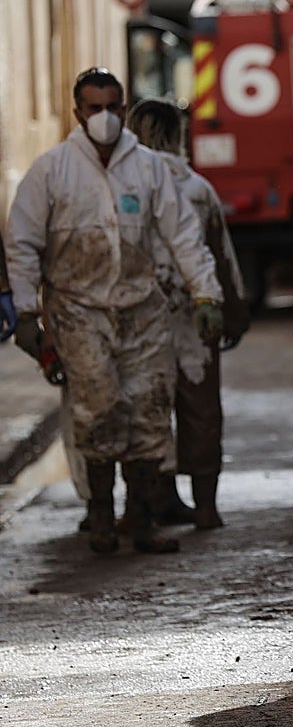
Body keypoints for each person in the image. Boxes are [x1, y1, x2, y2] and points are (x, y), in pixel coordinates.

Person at [6, 67, 224, 555]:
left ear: (124, 108)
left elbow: (184, 236)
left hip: (143, 310)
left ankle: (142, 521)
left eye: (113, 106)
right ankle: (102, 518)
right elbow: (22, 242)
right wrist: (25, 311)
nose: (104, 117)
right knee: (98, 409)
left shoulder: (147, 168)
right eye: (94, 107)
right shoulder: (52, 170)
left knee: (149, 412)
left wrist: (206, 295)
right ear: (78, 110)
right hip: (78, 311)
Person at [126, 98, 251, 530]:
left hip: (141, 317)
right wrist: (233, 312)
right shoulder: (197, 187)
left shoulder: (127, 183)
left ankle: (148, 502)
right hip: (197, 315)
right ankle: (205, 506)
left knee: (146, 406)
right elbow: (222, 256)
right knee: (200, 408)